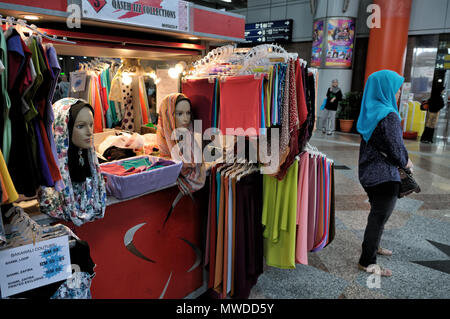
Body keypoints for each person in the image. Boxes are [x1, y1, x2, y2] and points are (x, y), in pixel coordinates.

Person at [356, 70, 413, 277]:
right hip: (385, 176)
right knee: (379, 218)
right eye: (396, 89)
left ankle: (374, 246)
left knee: (377, 215)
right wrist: (407, 162)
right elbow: (396, 148)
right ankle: (367, 261)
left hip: (368, 173)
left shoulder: (370, 110)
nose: (398, 93)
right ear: (386, 89)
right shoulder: (388, 114)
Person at [38, 98, 107, 226]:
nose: (89, 132)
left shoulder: (90, 159)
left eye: (91, 125)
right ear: (63, 128)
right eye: (81, 126)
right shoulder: (50, 176)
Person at [157, 93, 206, 195]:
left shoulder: (191, 136)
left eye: (188, 113)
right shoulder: (164, 141)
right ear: (168, 116)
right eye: (180, 114)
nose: (186, 119)